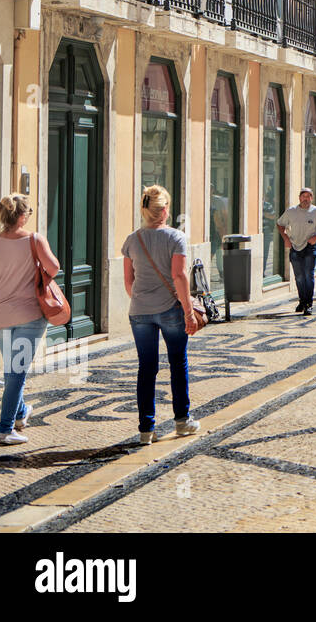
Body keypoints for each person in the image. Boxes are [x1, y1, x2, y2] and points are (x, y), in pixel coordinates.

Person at [122, 186, 200, 445]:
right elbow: (179, 276)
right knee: (177, 363)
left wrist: (144, 300)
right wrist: (188, 311)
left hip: (140, 312)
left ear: (144, 209)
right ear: (165, 209)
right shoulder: (176, 237)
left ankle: (146, 429)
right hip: (170, 310)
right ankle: (182, 421)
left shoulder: (132, 240)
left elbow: (128, 284)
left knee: (147, 368)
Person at [0, 195, 60, 446]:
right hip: (29, 315)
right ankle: (6, 430)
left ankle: (20, 413)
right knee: (16, 372)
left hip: (0, 317)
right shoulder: (34, 239)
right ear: (21, 216)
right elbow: (54, 268)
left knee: (13, 371)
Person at [278, 187, 316, 313]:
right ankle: (302, 301)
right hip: (294, 246)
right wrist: (286, 238)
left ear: (311, 198)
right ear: (299, 198)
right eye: (303, 196)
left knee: (308, 275)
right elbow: (280, 224)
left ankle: (309, 303)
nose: (306, 199)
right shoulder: (291, 211)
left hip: (310, 247)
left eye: (308, 196)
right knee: (299, 277)